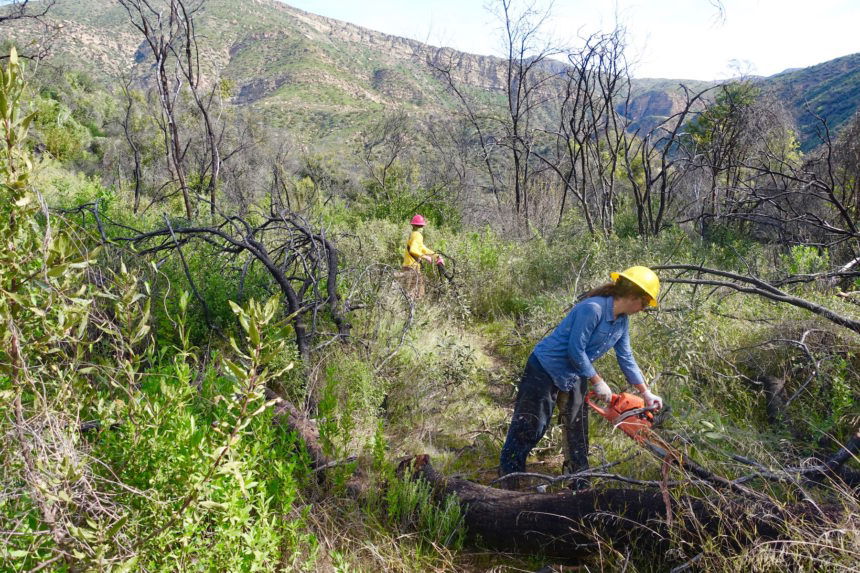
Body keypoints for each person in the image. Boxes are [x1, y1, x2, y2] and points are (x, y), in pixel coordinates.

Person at [498, 266, 663, 488]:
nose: (642, 309)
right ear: (633, 296)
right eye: (644, 303)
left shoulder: (622, 321)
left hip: (575, 372)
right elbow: (575, 350)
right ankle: (509, 480)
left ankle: (579, 484)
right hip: (544, 368)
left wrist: (646, 392)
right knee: (531, 426)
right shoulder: (593, 309)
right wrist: (598, 381)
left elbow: (626, 357)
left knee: (578, 430)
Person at [399, 214, 443, 299]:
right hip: (412, 268)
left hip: (408, 267)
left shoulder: (413, 234)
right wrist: (425, 257)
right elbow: (413, 250)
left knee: (410, 294)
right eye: (421, 226)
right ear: (420, 226)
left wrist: (437, 256)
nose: (422, 228)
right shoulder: (417, 235)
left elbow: (423, 249)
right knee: (416, 295)